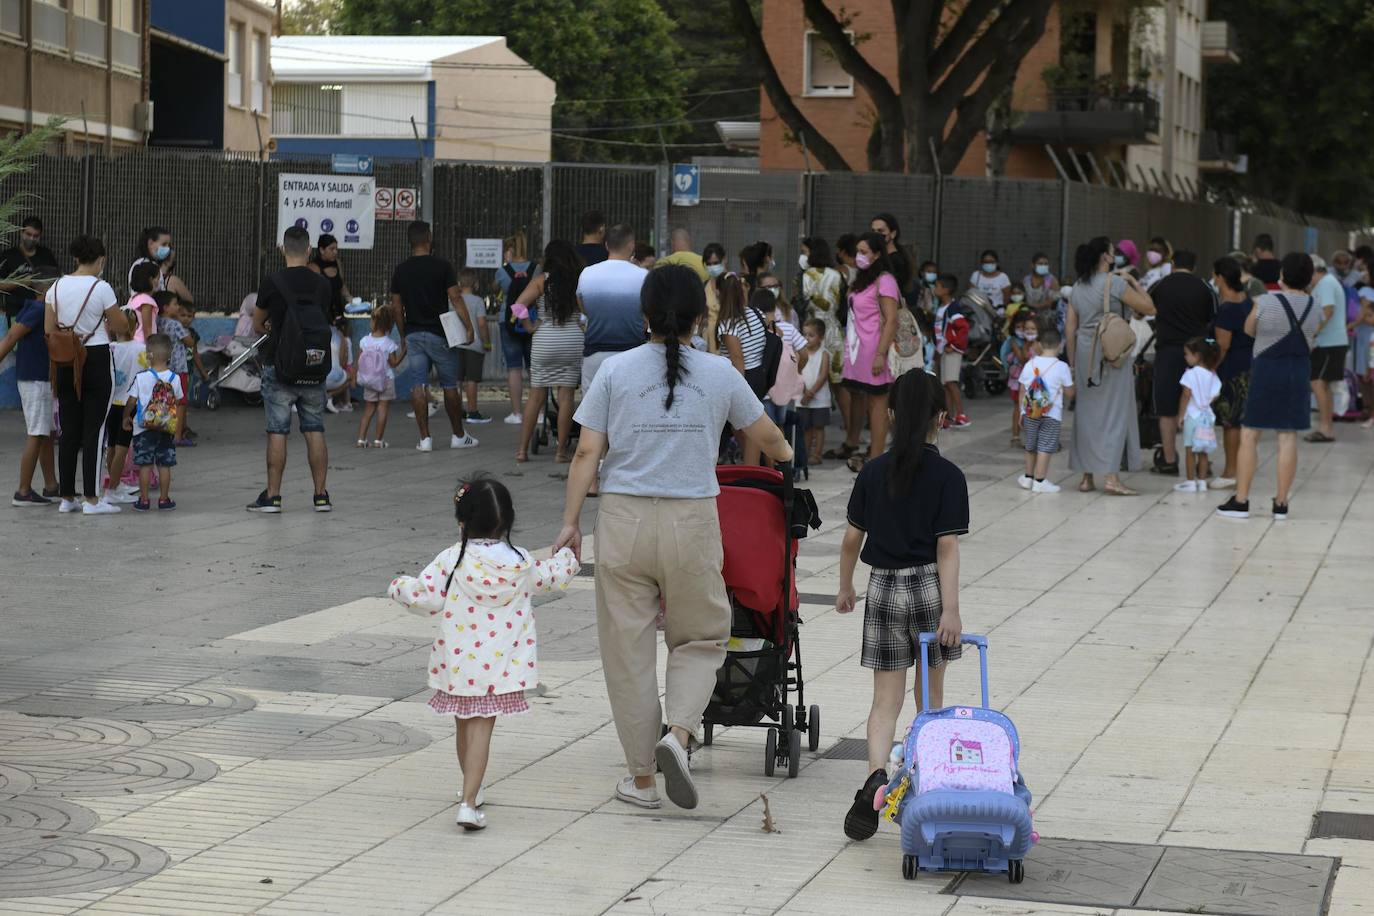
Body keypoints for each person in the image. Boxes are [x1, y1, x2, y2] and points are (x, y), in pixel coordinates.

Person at [554, 264, 793, 811]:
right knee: (701, 639)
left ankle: (641, 781)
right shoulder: (719, 374)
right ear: (700, 319)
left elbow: (588, 452)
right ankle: (678, 737)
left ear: (644, 315)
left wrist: (570, 523)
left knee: (628, 654)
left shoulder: (614, 371)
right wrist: (785, 458)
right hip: (692, 523)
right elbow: (770, 436)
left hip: (623, 522)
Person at [389, 477, 579, 831]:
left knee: (464, 725)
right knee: (482, 729)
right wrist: (568, 556)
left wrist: (399, 586)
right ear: (506, 521)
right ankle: (467, 800)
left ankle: (470, 791)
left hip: (458, 662)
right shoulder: (519, 561)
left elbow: (425, 597)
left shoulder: (452, 558)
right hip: (499, 666)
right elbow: (551, 576)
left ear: (462, 521)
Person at [835, 370, 966, 842]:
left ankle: (876, 777)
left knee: (883, 700)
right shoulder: (948, 476)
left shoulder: (872, 471)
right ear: (941, 418)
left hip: (885, 590)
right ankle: (926, 778)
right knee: (928, 697)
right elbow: (946, 547)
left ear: (889, 415)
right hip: (930, 589)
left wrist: (846, 586)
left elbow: (852, 538)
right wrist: (950, 610)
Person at [1217, 253, 1320, 521]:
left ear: (1282, 274)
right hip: (1298, 371)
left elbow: (1249, 330)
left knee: (1250, 434)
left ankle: (1241, 500)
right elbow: (1312, 337)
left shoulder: (1265, 301)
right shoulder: (1314, 305)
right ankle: (1281, 503)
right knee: (1288, 437)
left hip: (1266, 371)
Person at [246, 226, 335, 514]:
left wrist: (274, 327)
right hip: (314, 364)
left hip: (279, 366)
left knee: (277, 430)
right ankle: (321, 496)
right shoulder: (322, 284)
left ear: (283, 249)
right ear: (309, 250)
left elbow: (258, 324)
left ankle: (273, 497)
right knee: (315, 429)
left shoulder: (272, 282)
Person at [44, 235, 128, 515]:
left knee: (68, 429)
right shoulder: (101, 287)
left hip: (66, 360)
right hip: (95, 358)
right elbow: (120, 324)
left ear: (75, 258)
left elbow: (49, 328)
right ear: (101, 260)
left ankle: (67, 497)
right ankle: (92, 499)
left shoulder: (55, 287)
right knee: (95, 429)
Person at [1065, 237, 1155, 495]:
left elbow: (1070, 328)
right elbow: (1149, 307)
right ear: (1105, 256)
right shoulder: (1115, 283)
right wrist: (1134, 282)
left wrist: (1072, 364)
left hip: (1084, 353)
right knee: (1115, 413)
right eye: (1112, 252)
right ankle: (1112, 477)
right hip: (1111, 352)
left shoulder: (1078, 287)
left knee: (1086, 414)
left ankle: (1086, 477)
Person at [389, 220, 477, 452]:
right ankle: (458, 435)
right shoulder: (443, 266)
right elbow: (456, 299)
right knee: (449, 384)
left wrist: (403, 334)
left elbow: (396, 307)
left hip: (414, 334)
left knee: (418, 384)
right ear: (429, 238)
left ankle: (425, 439)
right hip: (440, 334)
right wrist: (469, 327)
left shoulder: (401, 270)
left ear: (410, 242)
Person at [515, 240, 586, 463]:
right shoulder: (578, 282)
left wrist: (529, 327)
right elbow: (586, 312)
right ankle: (560, 452)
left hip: (545, 339)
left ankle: (522, 451)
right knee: (566, 398)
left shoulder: (541, 281)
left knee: (536, 397)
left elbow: (518, 306)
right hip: (572, 341)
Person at [1147, 250, 1217, 474]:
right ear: (1195, 266)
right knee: (1199, 407)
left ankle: (1168, 460)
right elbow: (1213, 319)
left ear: (1172, 263)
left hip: (1167, 352)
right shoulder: (1205, 287)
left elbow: (1144, 309)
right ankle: (1200, 458)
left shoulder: (1160, 285)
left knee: (1166, 409)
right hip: (1198, 355)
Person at [841, 231, 900, 468]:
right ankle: (868, 451)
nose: (859, 256)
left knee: (878, 403)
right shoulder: (860, 279)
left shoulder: (885, 280)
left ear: (877, 254)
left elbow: (891, 319)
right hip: (856, 351)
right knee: (865, 399)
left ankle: (876, 458)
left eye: (864, 252)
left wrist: (880, 354)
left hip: (874, 351)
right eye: (857, 251)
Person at [0, 281, 58, 506]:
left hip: (40, 378)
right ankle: (23, 491)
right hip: (35, 379)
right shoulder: (38, 310)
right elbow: (11, 338)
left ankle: (51, 486)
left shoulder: (35, 308)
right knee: (37, 433)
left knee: (45, 434)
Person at [577, 224, 647, 389]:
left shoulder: (587, 273)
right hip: (632, 353)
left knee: (592, 411)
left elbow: (583, 309)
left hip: (595, 353)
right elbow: (648, 314)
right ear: (632, 245)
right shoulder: (644, 276)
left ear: (607, 245)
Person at [122, 333, 183, 511]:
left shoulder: (141, 377)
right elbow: (178, 402)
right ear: (169, 355)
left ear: (148, 355)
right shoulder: (175, 378)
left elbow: (132, 401)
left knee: (145, 466)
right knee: (164, 465)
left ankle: (144, 500)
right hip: (166, 429)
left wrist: (126, 416)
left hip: (143, 429)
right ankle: (164, 500)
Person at [1210, 256, 1254, 489]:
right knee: (1241, 422)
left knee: (1231, 422)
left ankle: (1230, 472)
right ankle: (1240, 468)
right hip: (1248, 365)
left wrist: (1209, 369)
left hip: (1231, 369)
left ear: (1220, 278)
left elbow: (1222, 346)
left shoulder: (1227, 309)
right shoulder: (1247, 301)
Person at [1016, 327, 1074, 493]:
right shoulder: (1062, 366)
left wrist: (1022, 412)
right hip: (1051, 415)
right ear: (1060, 345)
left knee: (1031, 445)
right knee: (1045, 447)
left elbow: (1022, 391)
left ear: (1039, 344)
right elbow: (1070, 392)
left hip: (1030, 413)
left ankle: (1028, 478)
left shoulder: (1030, 364)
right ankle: (1040, 481)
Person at [496, 233, 538, 424]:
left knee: (514, 368)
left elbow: (496, 288)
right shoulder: (536, 268)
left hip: (509, 320)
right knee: (535, 369)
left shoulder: (503, 271)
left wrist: (507, 263)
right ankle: (540, 413)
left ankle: (517, 413)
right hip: (533, 320)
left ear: (509, 249)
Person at [1306, 255, 1348, 443]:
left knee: (1317, 382)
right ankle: (1326, 427)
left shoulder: (1326, 284)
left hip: (1329, 342)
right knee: (1324, 384)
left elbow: (1328, 311)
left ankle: (1325, 428)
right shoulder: (1326, 282)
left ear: (1314, 270)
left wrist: (1313, 332)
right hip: (1330, 342)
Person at [101, 320, 144, 506]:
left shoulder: (110, 348)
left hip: (111, 402)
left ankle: (114, 484)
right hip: (129, 403)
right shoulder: (140, 349)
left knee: (111, 446)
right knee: (122, 448)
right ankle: (113, 488)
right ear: (135, 327)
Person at [1173, 337, 1221, 494]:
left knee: (1189, 450)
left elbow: (1186, 395)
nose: (1185, 357)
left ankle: (1190, 482)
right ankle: (1202, 481)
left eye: (1187, 354)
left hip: (1192, 417)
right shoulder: (1212, 375)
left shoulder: (1190, 374)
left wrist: (1180, 415)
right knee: (1203, 450)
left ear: (1197, 355)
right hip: (1206, 417)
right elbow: (1215, 394)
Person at [354, 305, 405, 448]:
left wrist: (354, 377)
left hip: (369, 380)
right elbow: (393, 364)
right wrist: (403, 353)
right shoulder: (389, 343)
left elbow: (359, 361)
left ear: (373, 321)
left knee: (369, 409)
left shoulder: (364, 341)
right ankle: (378, 440)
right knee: (382, 409)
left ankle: (361, 440)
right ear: (389, 325)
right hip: (385, 380)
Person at [801, 236, 844, 390]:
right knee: (837, 382)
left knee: (813, 375)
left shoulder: (806, 275)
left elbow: (804, 302)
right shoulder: (837, 275)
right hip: (833, 328)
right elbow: (840, 305)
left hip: (813, 330)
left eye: (805, 252)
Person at [154, 289, 195, 448]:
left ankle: (162, 432)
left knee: (164, 401)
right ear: (166, 308)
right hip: (179, 368)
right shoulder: (176, 324)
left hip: (164, 366)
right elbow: (189, 342)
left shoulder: (157, 321)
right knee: (180, 402)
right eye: (175, 304)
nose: (178, 307)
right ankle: (177, 436)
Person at [0, 216, 59, 319]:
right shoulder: (8, 256)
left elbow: (55, 281)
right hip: (15, 311)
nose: (31, 239)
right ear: (21, 232)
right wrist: (23, 281)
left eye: (36, 236)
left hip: (40, 310)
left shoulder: (46, 255)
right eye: (28, 234)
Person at [932, 274, 970, 428]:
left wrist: (953, 345)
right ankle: (948, 416)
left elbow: (963, 327)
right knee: (945, 384)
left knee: (951, 382)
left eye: (937, 286)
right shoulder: (941, 308)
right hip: (943, 350)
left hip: (952, 350)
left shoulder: (953, 308)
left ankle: (961, 415)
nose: (935, 289)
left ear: (946, 290)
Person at [456, 269, 491, 424]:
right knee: (471, 380)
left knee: (457, 380)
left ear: (458, 284)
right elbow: (482, 324)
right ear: (475, 284)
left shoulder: (454, 300)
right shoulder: (477, 301)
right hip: (474, 344)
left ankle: (457, 411)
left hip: (456, 344)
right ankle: (472, 412)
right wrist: (487, 342)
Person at [128, 226, 193, 305]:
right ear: (150, 243)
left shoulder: (149, 263)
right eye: (164, 244)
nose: (168, 248)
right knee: (173, 281)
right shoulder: (143, 264)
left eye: (169, 245)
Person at [799, 317, 832, 464]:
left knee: (819, 427)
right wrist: (804, 391)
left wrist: (811, 392)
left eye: (811, 335)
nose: (807, 338)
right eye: (805, 335)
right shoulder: (801, 353)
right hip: (802, 397)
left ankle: (817, 454)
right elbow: (797, 372)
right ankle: (805, 453)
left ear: (821, 337)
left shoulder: (824, 354)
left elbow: (823, 375)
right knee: (806, 427)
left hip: (820, 398)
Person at [1001, 308, 1036, 445]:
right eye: (1019, 327)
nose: (1022, 330)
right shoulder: (1014, 341)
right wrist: (1027, 345)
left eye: (1025, 327)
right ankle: (1015, 436)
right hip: (1017, 381)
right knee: (1018, 406)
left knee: (1032, 407)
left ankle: (1031, 436)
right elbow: (1022, 359)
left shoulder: (1036, 341)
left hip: (1033, 380)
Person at [308, 233, 350, 323]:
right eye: (332, 249)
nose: (335, 252)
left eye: (336, 249)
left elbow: (342, 285)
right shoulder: (313, 267)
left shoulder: (337, 263)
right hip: (322, 316)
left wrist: (351, 300)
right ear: (322, 250)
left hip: (338, 313)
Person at [870, 212, 913, 296]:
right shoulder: (879, 256)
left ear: (893, 234)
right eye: (873, 231)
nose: (875, 235)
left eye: (880, 231)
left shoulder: (897, 260)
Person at [324, 318, 354, 415]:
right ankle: (329, 396)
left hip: (316, 378)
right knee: (351, 379)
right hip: (333, 377)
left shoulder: (318, 333)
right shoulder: (341, 337)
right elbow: (342, 362)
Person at [125, 261, 160, 342]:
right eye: (157, 278)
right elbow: (147, 331)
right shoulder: (147, 301)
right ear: (151, 280)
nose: (159, 282)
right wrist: (150, 352)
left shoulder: (133, 299)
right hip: (142, 347)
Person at [702, 242, 727, 353]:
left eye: (716, 263)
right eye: (709, 264)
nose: (712, 267)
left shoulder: (734, 282)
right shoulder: (704, 285)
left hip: (727, 337)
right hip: (708, 341)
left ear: (724, 260)